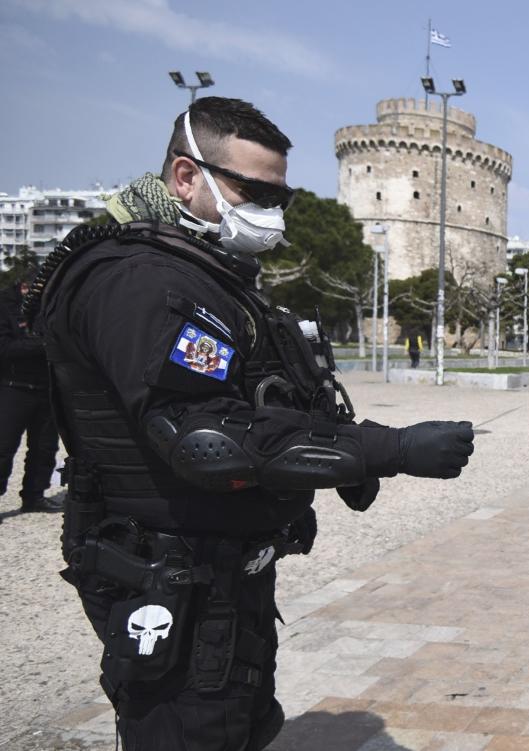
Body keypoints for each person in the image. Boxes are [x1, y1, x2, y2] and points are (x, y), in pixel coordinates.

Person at [27, 97, 476, 751]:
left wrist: (339, 449)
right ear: (186, 176)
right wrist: (389, 449)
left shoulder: (212, 277)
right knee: (195, 730)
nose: (270, 209)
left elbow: (275, 398)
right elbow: (208, 441)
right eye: (253, 190)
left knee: (241, 725)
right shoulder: (140, 281)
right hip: (169, 570)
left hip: (222, 572)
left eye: (280, 196)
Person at [0, 273, 62, 513]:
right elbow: (5, 349)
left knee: (45, 448)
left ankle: (34, 496)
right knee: (3, 448)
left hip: (46, 387)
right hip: (13, 386)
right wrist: (41, 345)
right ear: (25, 287)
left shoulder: (50, 306)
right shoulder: (5, 305)